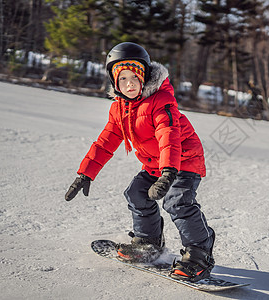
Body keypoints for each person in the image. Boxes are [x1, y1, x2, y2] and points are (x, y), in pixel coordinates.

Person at [65, 42, 215, 282]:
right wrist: (85, 174)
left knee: (177, 202)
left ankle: (199, 253)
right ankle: (148, 243)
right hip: (156, 164)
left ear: (145, 76)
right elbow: (104, 143)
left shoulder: (161, 101)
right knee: (136, 193)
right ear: (115, 83)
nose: (129, 84)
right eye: (122, 79)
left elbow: (169, 136)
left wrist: (168, 173)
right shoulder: (119, 109)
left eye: (134, 77)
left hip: (183, 160)